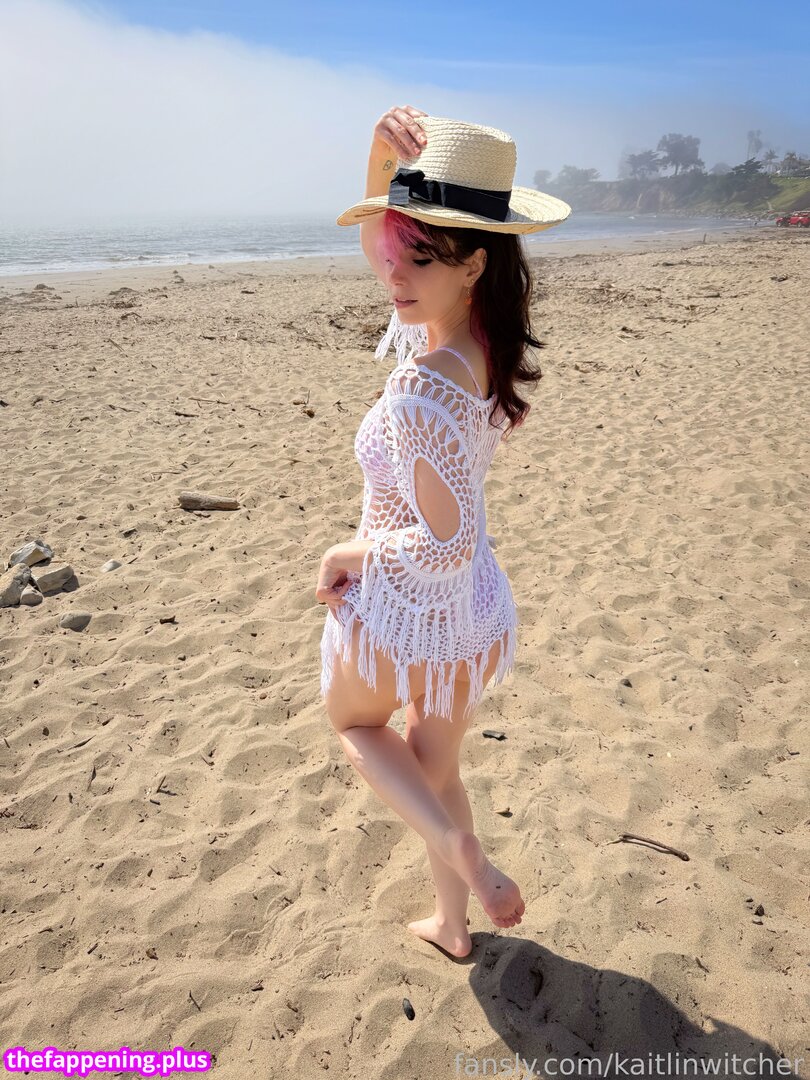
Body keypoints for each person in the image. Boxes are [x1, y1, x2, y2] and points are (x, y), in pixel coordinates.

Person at [315, 105, 571, 957]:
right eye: (397, 249)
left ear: (474, 263)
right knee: (438, 769)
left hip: (407, 608)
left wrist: (348, 552)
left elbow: (441, 543)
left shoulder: (423, 388)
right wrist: (378, 155)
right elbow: (381, 245)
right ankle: (453, 924)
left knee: (356, 728)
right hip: (466, 616)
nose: (393, 273)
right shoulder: (485, 337)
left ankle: (463, 851)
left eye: (419, 257)